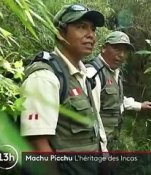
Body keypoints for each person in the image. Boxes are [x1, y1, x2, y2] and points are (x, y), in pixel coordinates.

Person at [20, 4, 105, 175]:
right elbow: (37, 144)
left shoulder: (83, 76)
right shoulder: (45, 77)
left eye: (93, 29)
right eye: (81, 27)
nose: (91, 35)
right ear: (60, 32)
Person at [86, 31, 151, 150]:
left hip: (110, 142)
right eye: (117, 49)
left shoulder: (114, 72)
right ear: (103, 48)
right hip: (96, 147)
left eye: (125, 51)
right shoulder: (94, 74)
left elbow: (116, 100)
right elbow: (92, 117)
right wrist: (103, 153)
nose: (121, 55)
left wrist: (139, 105)